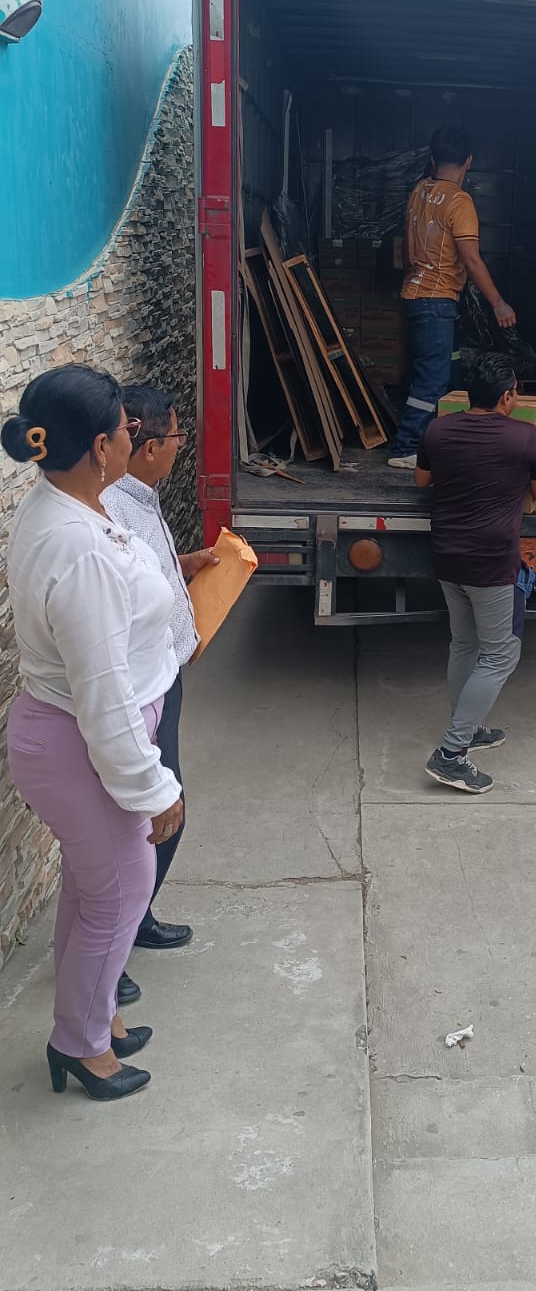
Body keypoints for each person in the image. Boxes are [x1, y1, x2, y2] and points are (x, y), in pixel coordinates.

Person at [2, 365, 183, 1101]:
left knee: (93, 884)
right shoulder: (77, 546)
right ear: (103, 447)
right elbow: (102, 694)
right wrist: (154, 787)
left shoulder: (66, 503)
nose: (134, 439)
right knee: (122, 890)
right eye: (125, 430)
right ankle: (80, 1045)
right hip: (82, 739)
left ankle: (93, 1018)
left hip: (76, 735)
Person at [100, 384, 217, 1006]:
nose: (180, 446)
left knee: (159, 815)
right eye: (176, 437)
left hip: (164, 679)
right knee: (155, 817)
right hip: (140, 692)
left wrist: (184, 565)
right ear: (146, 446)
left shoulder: (137, 498)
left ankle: (136, 920)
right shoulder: (110, 514)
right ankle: (108, 959)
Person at [414, 351, 536, 793]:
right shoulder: (525, 437)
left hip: (447, 555)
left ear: (467, 394)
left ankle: (469, 727)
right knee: (499, 655)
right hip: (492, 562)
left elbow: (421, 481)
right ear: (508, 396)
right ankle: (451, 753)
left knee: (465, 643)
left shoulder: (438, 429)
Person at [387, 126, 517, 469]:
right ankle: (405, 446)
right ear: (469, 161)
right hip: (436, 299)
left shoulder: (419, 191)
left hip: (417, 295)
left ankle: (449, 435)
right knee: (432, 377)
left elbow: (407, 249)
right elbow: (471, 260)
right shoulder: (459, 202)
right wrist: (498, 303)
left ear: (432, 159)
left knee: (449, 367)